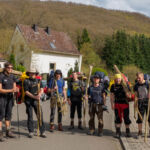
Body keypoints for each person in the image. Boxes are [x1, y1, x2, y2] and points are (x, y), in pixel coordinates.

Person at [24, 68, 46, 138]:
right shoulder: (26, 81)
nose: (32, 74)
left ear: (36, 74)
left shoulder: (38, 80)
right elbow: (26, 92)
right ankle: (31, 132)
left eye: (33, 73)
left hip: (37, 101)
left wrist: (40, 94)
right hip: (28, 101)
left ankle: (42, 132)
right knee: (30, 116)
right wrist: (34, 97)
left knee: (40, 116)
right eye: (31, 73)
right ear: (29, 73)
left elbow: (42, 89)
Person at [110, 74, 131, 138]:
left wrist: (126, 89)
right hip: (117, 103)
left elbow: (129, 95)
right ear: (115, 79)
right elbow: (112, 96)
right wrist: (112, 104)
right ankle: (118, 132)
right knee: (118, 118)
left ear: (121, 79)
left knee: (126, 118)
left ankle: (127, 131)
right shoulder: (113, 86)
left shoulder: (125, 85)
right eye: (116, 78)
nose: (118, 79)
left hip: (125, 103)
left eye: (119, 78)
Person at [0, 62, 16, 141]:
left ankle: (8, 131)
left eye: (11, 67)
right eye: (9, 67)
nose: (10, 69)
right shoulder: (1, 76)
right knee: (1, 115)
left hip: (10, 98)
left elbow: (14, 86)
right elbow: (0, 89)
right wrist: (11, 90)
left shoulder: (13, 76)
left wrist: (16, 90)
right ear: (5, 68)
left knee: (8, 115)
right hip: (2, 98)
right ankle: (0, 133)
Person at [134, 72, 150, 138]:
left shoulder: (148, 84)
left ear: (143, 77)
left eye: (139, 78)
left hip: (148, 102)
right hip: (140, 102)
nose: (138, 79)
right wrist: (135, 103)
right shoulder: (136, 85)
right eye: (137, 78)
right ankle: (140, 132)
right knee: (140, 118)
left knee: (149, 118)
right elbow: (135, 95)